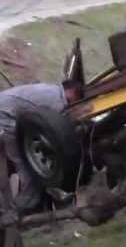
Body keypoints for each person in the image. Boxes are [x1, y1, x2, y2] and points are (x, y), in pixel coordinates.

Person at [0, 83, 75, 214]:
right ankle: (28, 205)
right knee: (25, 160)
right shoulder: (57, 101)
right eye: (76, 100)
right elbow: (60, 129)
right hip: (4, 119)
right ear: (73, 93)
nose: (74, 104)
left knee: (31, 161)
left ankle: (48, 196)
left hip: (6, 112)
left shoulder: (52, 90)